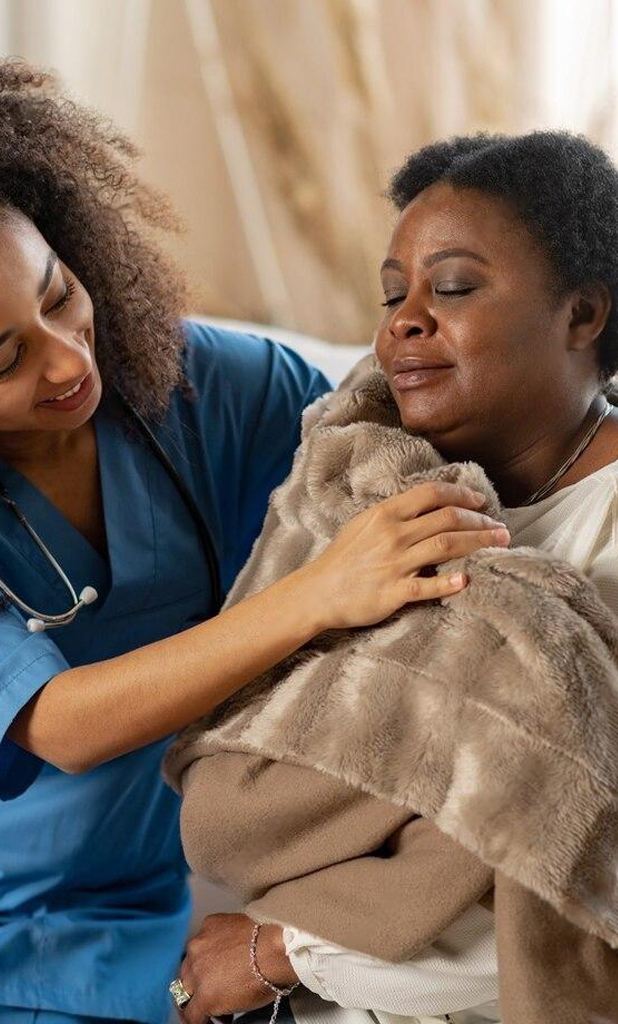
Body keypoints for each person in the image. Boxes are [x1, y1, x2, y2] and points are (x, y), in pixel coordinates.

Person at [0, 60, 504, 1024]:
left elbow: (386, 436)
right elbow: (58, 726)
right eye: (3, 358)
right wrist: (315, 594)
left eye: (58, 293)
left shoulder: (211, 387)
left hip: (99, 926)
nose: (68, 356)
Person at [177, 129, 618, 1024]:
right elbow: (240, 781)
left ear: (582, 315)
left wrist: (286, 950)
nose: (403, 321)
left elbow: (578, 890)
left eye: (451, 287)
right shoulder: (355, 487)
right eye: (393, 293)